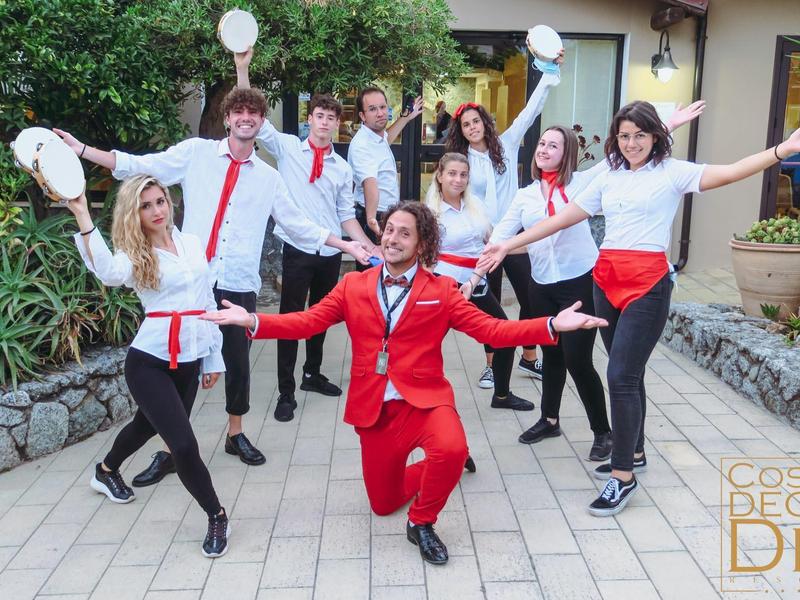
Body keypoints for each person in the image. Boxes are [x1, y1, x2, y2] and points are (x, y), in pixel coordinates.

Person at [202, 201, 608, 565]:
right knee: (382, 503)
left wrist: (552, 324)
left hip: (425, 400)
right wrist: (252, 320)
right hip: (374, 409)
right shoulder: (353, 285)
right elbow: (307, 322)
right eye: (389, 229)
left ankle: (422, 521)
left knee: (448, 447)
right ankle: (444, 464)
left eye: (404, 232)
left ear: (422, 244)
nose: (392, 238)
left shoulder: (442, 291)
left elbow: (494, 330)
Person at [480, 100, 800, 517]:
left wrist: (782, 150)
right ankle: (637, 451)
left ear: (656, 137)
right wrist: (509, 243)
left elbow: (731, 171)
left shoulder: (672, 172)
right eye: (625, 136)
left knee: (620, 376)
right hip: (605, 281)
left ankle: (622, 476)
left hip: (647, 284)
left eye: (640, 135)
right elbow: (563, 218)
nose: (631, 143)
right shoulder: (609, 177)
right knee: (626, 371)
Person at [54, 87, 372, 480]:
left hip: (238, 280)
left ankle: (235, 434)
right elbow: (138, 164)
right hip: (191, 278)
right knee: (181, 366)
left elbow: (298, 224)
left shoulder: (269, 178)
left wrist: (345, 244)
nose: (245, 118)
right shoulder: (196, 154)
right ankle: (172, 449)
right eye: (238, 111)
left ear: (260, 122)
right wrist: (83, 150)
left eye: (253, 113)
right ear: (227, 119)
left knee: (237, 364)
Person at [487, 103, 704, 459]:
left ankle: (603, 432)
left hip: (581, 281)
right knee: (551, 354)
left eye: (553, 145)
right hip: (540, 283)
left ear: (568, 152)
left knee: (578, 360)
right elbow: (501, 235)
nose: (544, 150)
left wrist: (668, 125)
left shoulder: (589, 181)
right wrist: (478, 268)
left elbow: (629, 147)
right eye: (541, 144)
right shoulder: (525, 195)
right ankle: (550, 419)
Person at [68, 177, 230, 558]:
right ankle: (217, 514)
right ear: (135, 214)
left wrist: (212, 356)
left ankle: (105, 471)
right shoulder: (134, 252)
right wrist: (81, 214)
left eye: (161, 201)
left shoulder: (189, 242)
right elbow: (106, 271)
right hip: (149, 362)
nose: (158, 210)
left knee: (146, 424)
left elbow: (206, 298)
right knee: (183, 444)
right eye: (147, 206)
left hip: (188, 359)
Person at [235, 48, 381, 422]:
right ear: (310, 118)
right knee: (290, 318)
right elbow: (252, 113)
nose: (325, 123)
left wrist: (367, 244)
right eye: (319, 116)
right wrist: (242, 67)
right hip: (298, 248)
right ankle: (286, 391)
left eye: (331, 118)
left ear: (337, 125)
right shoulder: (286, 147)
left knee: (321, 316)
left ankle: (312, 374)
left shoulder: (342, 168)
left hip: (331, 252)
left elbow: (346, 216)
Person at [445, 53, 565, 387]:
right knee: (489, 305)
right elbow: (455, 198)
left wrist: (549, 73)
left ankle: (529, 358)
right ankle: (491, 364)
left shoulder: (506, 144)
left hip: (515, 238)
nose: (472, 127)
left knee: (530, 297)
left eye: (475, 121)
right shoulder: (460, 160)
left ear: (484, 121)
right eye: (466, 124)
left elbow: (530, 112)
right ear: (461, 129)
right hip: (483, 240)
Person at [424, 152, 534, 412]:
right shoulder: (428, 213)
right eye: (452, 173)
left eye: (463, 174)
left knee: (505, 335)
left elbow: (492, 243)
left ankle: (502, 396)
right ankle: (419, 399)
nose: (458, 179)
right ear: (439, 175)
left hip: (476, 285)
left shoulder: (476, 206)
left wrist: (535, 244)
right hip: (443, 287)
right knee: (426, 344)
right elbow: (423, 258)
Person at [348, 85, 423, 261]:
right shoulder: (362, 145)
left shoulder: (376, 138)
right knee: (374, 271)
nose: (380, 113)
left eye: (382, 107)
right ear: (362, 116)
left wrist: (405, 118)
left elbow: (387, 138)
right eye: (372, 109)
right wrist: (372, 219)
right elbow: (370, 183)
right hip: (374, 217)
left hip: (384, 214)